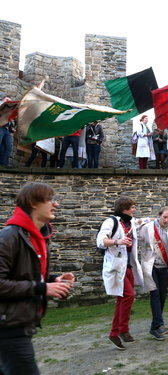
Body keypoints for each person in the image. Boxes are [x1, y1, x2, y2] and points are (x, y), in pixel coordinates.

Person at [0, 182, 74, 374]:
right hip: (8, 327)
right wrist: (43, 288)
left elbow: (25, 274)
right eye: (50, 199)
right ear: (33, 202)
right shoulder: (9, 237)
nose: (55, 204)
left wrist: (53, 279)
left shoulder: (35, 236)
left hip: (19, 323)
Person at [96, 197, 144, 350]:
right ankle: (117, 331)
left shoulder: (130, 222)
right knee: (128, 296)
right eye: (132, 207)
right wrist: (118, 242)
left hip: (127, 266)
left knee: (123, 299)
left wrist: (161, 218)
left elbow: (143, 222)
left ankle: (120, 331)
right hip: (116, 267)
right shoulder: (111, 222)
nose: (134, 209)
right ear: (124, 208)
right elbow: (101, 241)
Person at [138, 206, 168, 340]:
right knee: (155, 293)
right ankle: (159, 324)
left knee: (163, 295)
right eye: (164, 217)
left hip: (165, 266)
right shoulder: (147, 228)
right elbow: (135, 233)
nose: (166, 220)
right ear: (159, 215)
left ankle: (155, 327)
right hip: (151, 265)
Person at [0, 96, 15, 167]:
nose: (8, 101)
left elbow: (10, 121)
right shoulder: (1, 105)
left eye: (10, 100)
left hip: (6, 130)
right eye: (7, 99)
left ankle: (3, 164)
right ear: (3, 99)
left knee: (8, 147)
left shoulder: (9, 110)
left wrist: (11, 128)